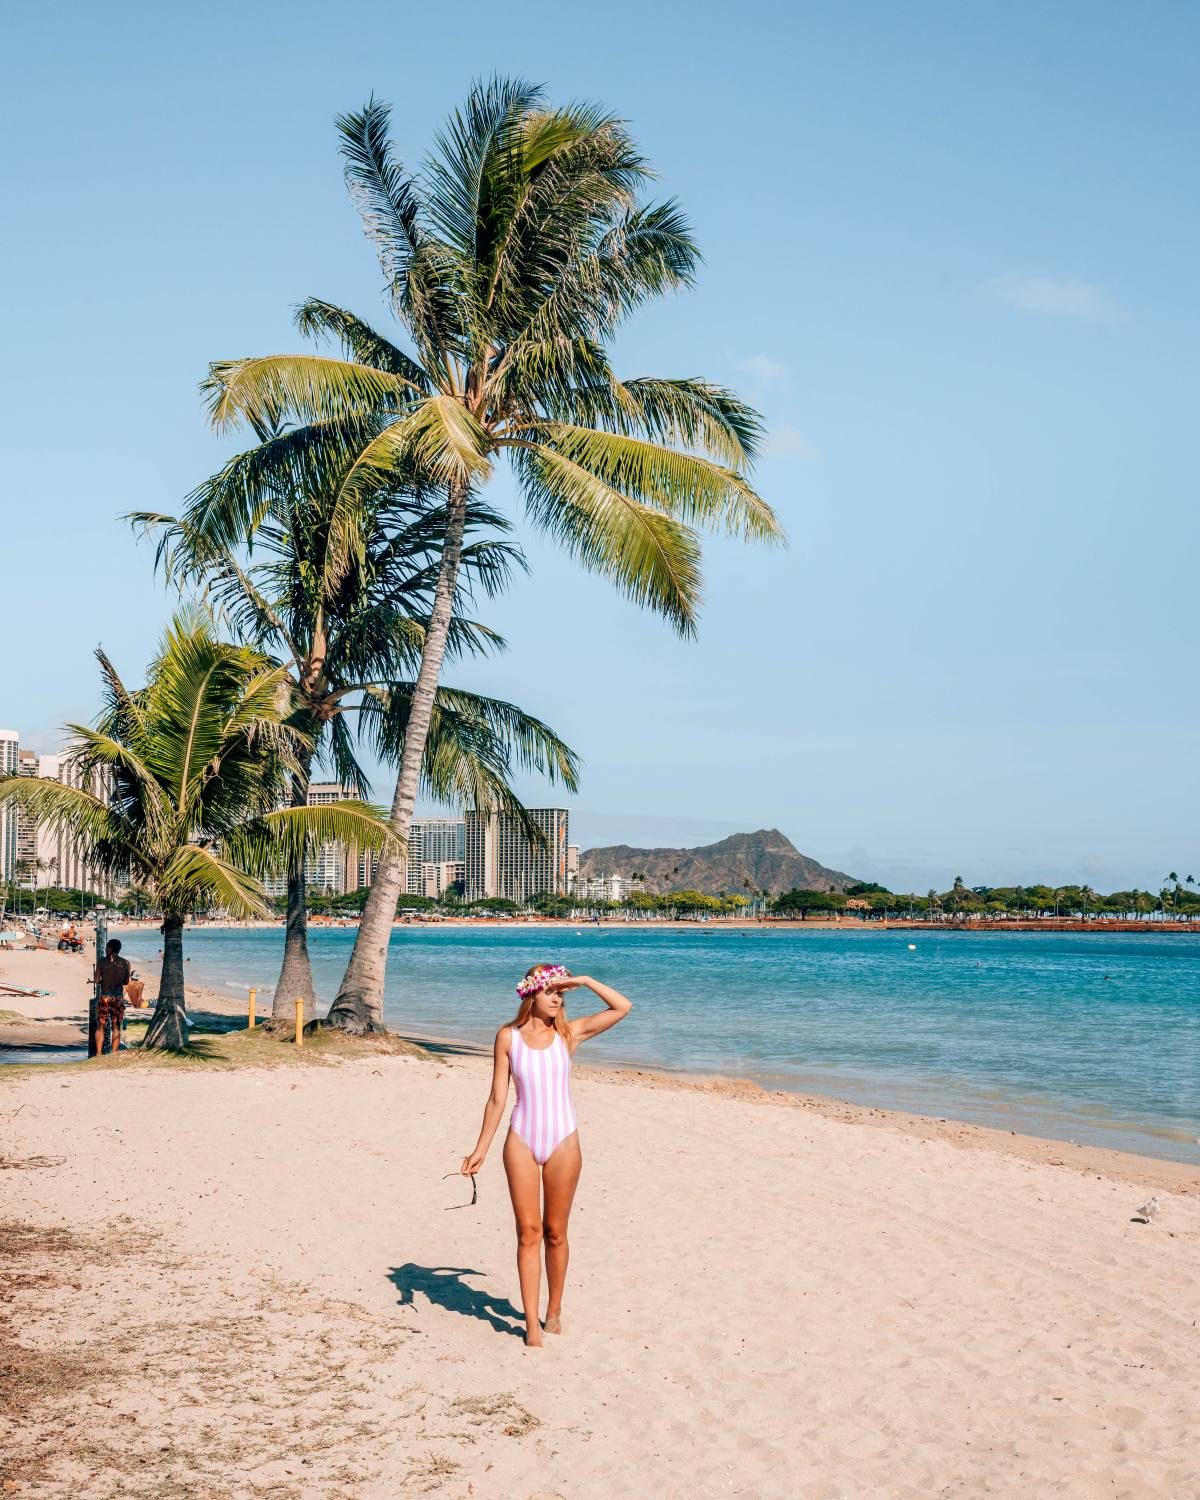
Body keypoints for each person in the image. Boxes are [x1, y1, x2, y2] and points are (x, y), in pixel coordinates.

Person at [461, 965, 633, 1347]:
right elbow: (497, 1098)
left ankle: (553, 1310)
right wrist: (481, 1148)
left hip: (563, 1142)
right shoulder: (507, 1037)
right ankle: (531, 1325)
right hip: (520, 1140)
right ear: (530, 995)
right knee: (529, 1233)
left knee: (556, 1233)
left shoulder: (568, 1035)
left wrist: (585, 981)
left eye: (562, 994)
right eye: (550, 992)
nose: (557, 999)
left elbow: (622, 1007)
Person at [92, 938, 131, 1056]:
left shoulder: (102, 962)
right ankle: (114, 1053)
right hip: (118, 997)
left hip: (105, 997)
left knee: (101, 1026)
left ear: (110, 948)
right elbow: (126, 981)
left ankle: (98, 1054)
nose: (105, 950)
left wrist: (101, 979)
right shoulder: (126, 963)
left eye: (106, 947)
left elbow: (96, 980)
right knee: (116, 1026)